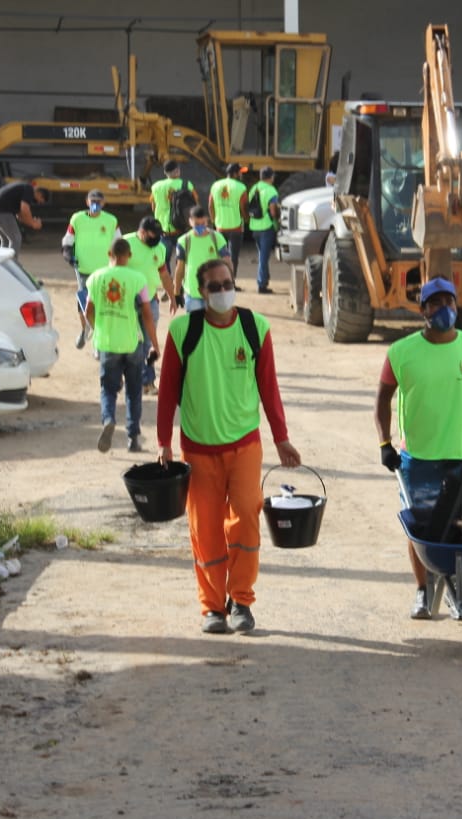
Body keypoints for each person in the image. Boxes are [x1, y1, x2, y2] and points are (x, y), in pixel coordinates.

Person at [156, 258, 301, 635]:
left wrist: (281, 437)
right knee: (205, 532)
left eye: (227, 283)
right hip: (198, 451)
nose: (222, 291)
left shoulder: (255, 328)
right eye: (214, 286)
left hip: (245, 448)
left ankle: (241, 600)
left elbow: (270, 389)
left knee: (246, 526)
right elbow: (167, 392)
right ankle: (212, 608)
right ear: (200, 293)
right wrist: (163, 443)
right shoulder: (182, 331)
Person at [374, 277, 462, 619]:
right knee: (420, 529)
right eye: (435, 303)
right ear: (423, 311)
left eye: (449, 302)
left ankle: (457, 587)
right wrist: (385, 443)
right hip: (417, 459)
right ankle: (423, 589)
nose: (444, 309)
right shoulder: (401, 352)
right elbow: (383, 399)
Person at [84, 238, 159, 454]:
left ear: (109, 254)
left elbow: (88, 309)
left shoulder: (96, 278)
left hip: (107, 342)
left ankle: (108, 419)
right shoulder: (137, 279)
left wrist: (95, 328)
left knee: (108, 389)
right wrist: (154, 343)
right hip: (132, 342)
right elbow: (146, 314)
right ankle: (132, 438)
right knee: (134, 391)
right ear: (129, 255)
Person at [63, 189, 121, 349]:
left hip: (105, 270)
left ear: (104, 203)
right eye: (92, 201)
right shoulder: (77, 219)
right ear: (87, 202)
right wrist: (68, 255)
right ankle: (85, 329)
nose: (95, 204)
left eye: (98, 201)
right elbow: (68, 241)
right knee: (84, 302)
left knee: (102, 303)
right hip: (83, 269)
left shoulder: (111, 220)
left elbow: (119, 243)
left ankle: (98, 340)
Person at [127, 216, 172, 394]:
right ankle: (135, 380)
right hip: (128, 302)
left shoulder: (159, 248)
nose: (157, 239)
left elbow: (164, 274)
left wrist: (172, 296)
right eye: (153, 235)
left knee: (148, 344)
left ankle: (148, 382)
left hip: (151, 300)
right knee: (133, 344)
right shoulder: (126, 243)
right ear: (142, 232)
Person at [171, 206, 231, 314]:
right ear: (190, 222)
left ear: (207, 220)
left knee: (214, 327)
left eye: (202, 223)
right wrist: (176, 293)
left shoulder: (217, 238)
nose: (200, 227)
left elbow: (227, 261)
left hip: (214, 292)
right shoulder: (183, 241)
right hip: (192, 293)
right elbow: (179, 268)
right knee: (196, 327)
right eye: (196, 224)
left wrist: (229, 284)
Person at [150, 160, 196, 277]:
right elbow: (195, 201)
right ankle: (178, 284)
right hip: (181, 227)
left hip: (163, 229)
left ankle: (168, 283)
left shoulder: (156, 187)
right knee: (181, 258)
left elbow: (153, 205)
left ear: (165, 172)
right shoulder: (186, 184)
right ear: (177, 171)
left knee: (164, 260)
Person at [0, 182, 48, 256]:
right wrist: (33, 223)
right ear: (40, 194)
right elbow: (24, 208)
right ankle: (12, 264)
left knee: (5, 240)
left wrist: (32, 223)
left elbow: (20, 216)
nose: (38, 202)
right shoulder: (29, 189)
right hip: (1, 212)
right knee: (16, 239)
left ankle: (0, 264)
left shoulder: (22, 190)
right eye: (40, 201)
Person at [209, 163, 248, 275]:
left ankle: (218, 279)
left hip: (220, 227)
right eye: (240, 172)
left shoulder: (215, 185)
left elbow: (210, 206)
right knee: (233, 257)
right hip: (236, 228)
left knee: (219, 256)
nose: (241, 174)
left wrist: (214, 221)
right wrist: (246, 219)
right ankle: (231, 281)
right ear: (235, 173)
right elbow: (243, 207)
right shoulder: (241, 187)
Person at [249, 166, 280, 294]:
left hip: (254, 226)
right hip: (266, 226)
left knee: (262, 254)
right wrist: (277, 220)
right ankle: (261, 284)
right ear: (271, 177)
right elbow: (273, 210)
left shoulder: (254, 188)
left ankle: (264, 280)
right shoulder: (271, 190)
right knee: (263, 256)